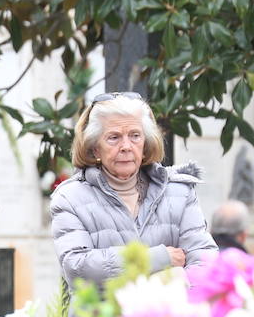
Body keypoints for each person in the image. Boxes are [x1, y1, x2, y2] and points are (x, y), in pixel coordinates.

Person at [49, 91, 216, 293]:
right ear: (94, 149)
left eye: (135, 136)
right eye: (113, 138)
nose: (126, 146)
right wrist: (156, 259)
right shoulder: (71, 197)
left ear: (145, 144)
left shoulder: (179, 192)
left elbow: (205, 260)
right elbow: (78, 267)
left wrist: (174, 295)